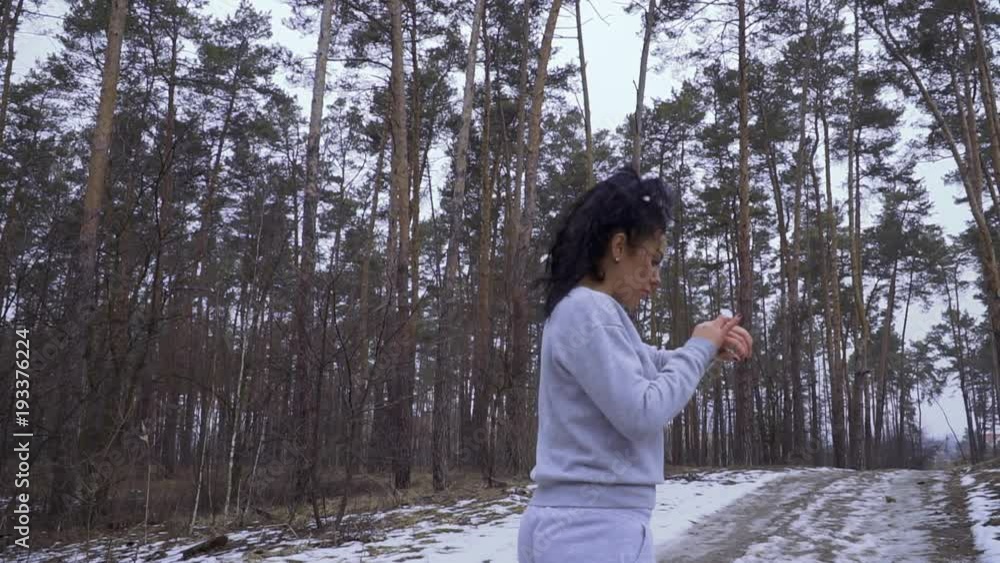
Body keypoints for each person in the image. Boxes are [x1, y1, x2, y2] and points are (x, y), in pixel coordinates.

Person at [516, 166, 753, 563]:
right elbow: (643, 410)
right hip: (592, 533)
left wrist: (705, 349)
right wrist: (698, 349)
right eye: (654, 260)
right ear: (619, 246)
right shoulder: (591, 312)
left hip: (579, 526)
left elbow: (644, 363)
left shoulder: (581, 309)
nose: (656, 279)